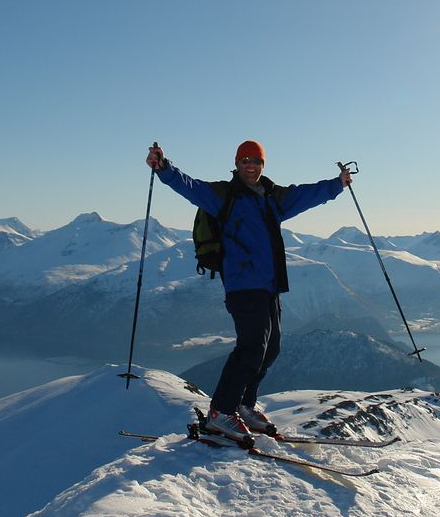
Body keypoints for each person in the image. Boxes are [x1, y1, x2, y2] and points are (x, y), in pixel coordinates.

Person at [146, 140, 352, 443]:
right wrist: (163, 168)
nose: (250, 165)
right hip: (243, 284)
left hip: (269, 285)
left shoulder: (272, 197)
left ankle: (244, 403)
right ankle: (221, 412)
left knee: (271, 348)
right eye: (244, 160)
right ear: (237, 164)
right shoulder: (223, 195)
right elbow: (189, 186)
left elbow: (305, 194)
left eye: (256, 160)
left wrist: (337, 184)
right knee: (252, 347)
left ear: (263, 164)